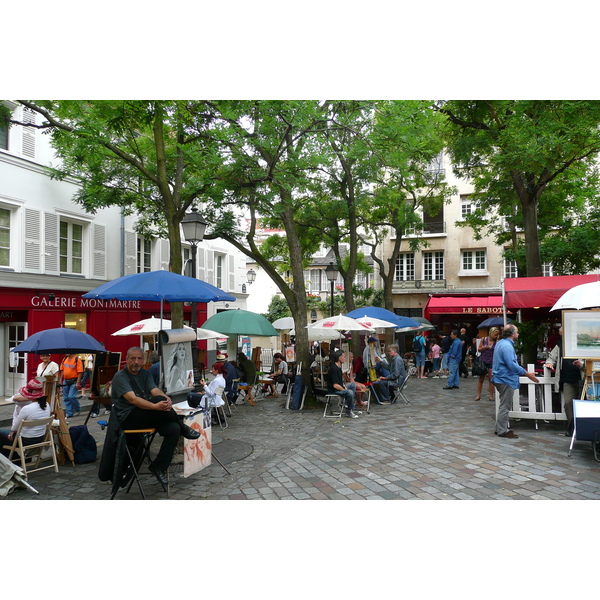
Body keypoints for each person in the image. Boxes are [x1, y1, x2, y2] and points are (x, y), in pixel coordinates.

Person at [109, 346, 200, 485]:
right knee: (158, 402)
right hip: (128, 418)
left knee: (173, 428)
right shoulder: (120, 376)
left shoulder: (145, 374)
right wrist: (155, 406)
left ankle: (158, 467)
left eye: (139, 358)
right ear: (126, 359)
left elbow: (154, 390)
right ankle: (184, 427)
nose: (136, 362)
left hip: (146, 416)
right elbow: (132, 399)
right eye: (133, 358)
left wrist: (166, 399)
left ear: (143, 359)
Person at [492, 325, 539, 438]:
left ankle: (499, 428)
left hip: (500, 377)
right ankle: (502, 430)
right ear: (512, 334)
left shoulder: (500, 343)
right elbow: (511, 364)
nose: (518, 334)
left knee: (503, 404)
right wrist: (526, 373)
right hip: (505, 378)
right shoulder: (507, 346)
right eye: (517, 332)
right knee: (505, 406)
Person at [544, 327, 584, 435]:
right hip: (567, 379)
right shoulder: (560, 345)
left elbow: (587, 359)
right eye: (561, 334)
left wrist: (581, 364)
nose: (561, 336)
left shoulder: (580, 343)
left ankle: (583, 428)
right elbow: (552, 357)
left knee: (583, 404)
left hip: (583, 379)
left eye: (562, 333)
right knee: (568, 403)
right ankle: (572, 427)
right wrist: (549, 363)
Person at [0, 379, 51, 457]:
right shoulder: (47, 405)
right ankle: (22, 459)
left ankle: (12, 460)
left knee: (1, 433)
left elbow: (14, 428)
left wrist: (13, 432)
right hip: (40, 438)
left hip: (26, 440)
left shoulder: (27, 408)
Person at [328, 350, 358, 419]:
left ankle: (348, 405)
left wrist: (344, 386)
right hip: (334, 390)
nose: (345, 358)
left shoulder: (339, 367)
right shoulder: (334, 369)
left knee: (352, 385)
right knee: (349, 392)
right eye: (344, 357)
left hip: (340, 386)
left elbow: (340, 382)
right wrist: (344, 389)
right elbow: (335, 385)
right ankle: (349, 410)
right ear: (339, 358)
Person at [474, 327, 500, 402]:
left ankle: (491, 395)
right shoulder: (484, 339)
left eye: (497, 335)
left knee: (491, 379)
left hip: (492, 361)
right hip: (483, 360)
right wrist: (484, 347)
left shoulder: (497, 341)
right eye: (495, 335)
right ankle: (478, 394)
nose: (496, 336)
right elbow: (479, 349)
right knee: (481, 378)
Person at [60, 353, 84, 417]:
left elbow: (80, 372)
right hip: (66, 380)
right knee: (66, 398)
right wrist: (60, 380)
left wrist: (78, 382)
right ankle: (69, 413)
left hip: (74, 380)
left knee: (71, 396)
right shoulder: (64, 359)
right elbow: (62, 370)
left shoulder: (77, 360)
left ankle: (77, 409)